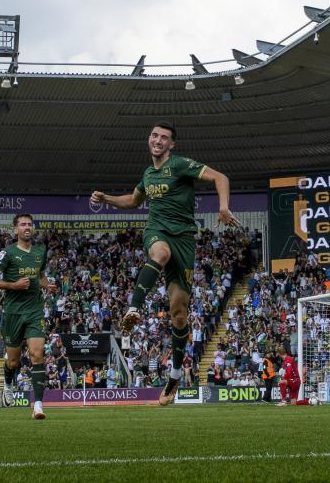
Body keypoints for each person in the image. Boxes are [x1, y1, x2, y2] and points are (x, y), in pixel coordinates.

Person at [91, 121, 240, 406]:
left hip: (184, 240)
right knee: (159, 254)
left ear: (172, 144)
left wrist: (223, 206)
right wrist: (106, 198)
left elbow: (221, 178)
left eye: (164, 137)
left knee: (179, 315)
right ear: (149, 140)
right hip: (157, 231)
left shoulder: (181, 164)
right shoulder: (147, 174)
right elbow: (133, 201)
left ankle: (173, 377)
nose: (158, 140)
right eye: (154, 135)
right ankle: (133, 308)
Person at [0, 214, 56, 420]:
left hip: (34, 311)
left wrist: (46, 284)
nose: (27, 227)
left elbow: (39, 275)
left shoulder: (40, 251)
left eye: (29, 224)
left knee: (37, 355)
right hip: (13, 313)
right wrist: (14, 285)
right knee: (14, 362)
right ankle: (8, 382)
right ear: (15, 230)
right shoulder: (6, 253)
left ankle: (38, 405)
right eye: (23, 224)